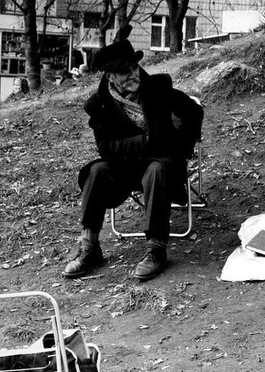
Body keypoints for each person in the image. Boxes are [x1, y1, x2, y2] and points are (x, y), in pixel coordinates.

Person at [63, 39, 203, 281]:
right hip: (125, 168)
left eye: (134, 68)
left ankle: (156, 249)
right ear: (109, 76)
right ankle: (90, 247)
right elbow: (106, 148)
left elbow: (194, 113)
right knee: (96, 170)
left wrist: (180, 139)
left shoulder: (159, 88)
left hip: (163, 165)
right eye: (123, 71)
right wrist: (147, 140)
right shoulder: (99, 105)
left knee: (156, 169)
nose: (132, 75)